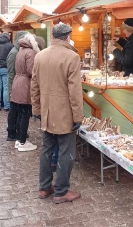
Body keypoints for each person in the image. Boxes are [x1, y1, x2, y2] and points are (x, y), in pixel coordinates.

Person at [31, 23, 83, 204]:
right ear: (68, 36)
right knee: (66, 152)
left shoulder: (40, 55)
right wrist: (78, 116)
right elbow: (75, 91)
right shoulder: (72, 57)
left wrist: (36, 109)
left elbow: (34, 86)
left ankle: (45, 188)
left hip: (46, 112)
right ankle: (61, 191)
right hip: (64, 114)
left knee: (46, 150)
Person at [8, 34, 43, 152]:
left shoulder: (21, 51)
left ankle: (19, 139)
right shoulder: (31, 53)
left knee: (19, 113)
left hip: (18, 82)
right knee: (25, 114)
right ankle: (22, 141)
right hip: (26, 84)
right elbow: (31, 71)